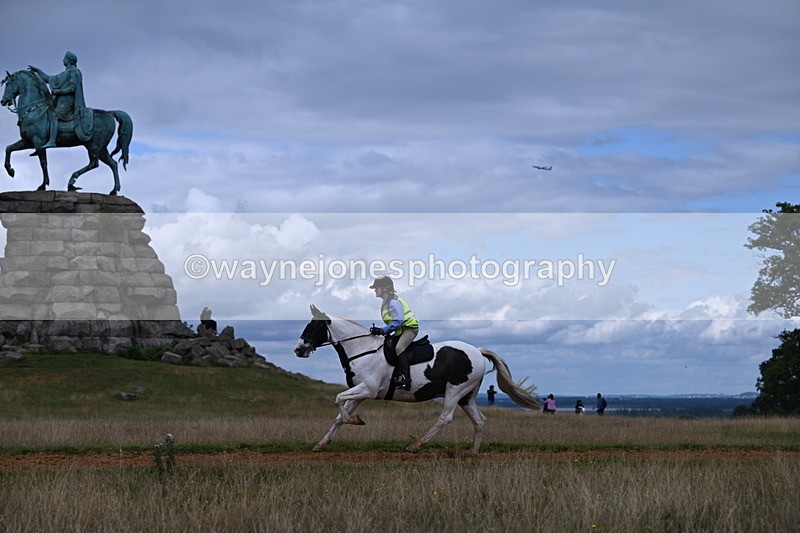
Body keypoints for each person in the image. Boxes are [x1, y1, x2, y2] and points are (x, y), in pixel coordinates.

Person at [28, 51, 93, 151]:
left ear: (69, 60)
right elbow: (48, 79)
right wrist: (38, 71)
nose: (63, 59)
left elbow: (72, 88)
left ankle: (52, 141)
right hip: (60, 101)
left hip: (68, 102)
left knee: (54, 115)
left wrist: (58, 91)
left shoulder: (74, 72)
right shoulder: (63, 74)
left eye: (65, 58)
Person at [369, 276, 419, 390]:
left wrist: (382, 330)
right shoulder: (386, 302)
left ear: (385, 289)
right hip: (401, 329)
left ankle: (406, 379)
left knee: (399, 348)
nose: (375, 290)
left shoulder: (392, 302)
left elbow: (398, 321)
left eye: (376, 288)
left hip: (410, 328)